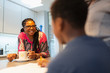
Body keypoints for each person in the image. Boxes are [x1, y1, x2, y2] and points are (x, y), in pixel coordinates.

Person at [46, 0, 110, 73]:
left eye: (52, 25)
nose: (52, 30)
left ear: (59, 23)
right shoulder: (104, 49)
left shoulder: (58, 65)